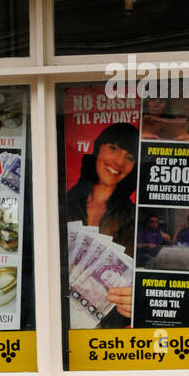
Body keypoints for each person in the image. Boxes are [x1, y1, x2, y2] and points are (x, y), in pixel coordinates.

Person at [66, 121, 138, 323]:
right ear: (98, 149)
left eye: (129, 157)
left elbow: (135, 281)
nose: (118, 161)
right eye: (113, 148)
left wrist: (135, 301)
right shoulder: (62, 202)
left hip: (104, 330)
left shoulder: (133, 218)